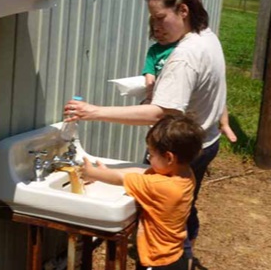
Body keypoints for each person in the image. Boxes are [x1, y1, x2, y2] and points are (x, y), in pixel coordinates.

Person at [64, 0, 228, 266]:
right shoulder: (207, 37)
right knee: (180, 207)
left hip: (178, 143)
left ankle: (169, 257)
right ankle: (182, 253)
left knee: (160, 211)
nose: (155, 26)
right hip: (204, 140)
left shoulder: (184, 56)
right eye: (151, 18)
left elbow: (158, 113)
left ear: (183, 10)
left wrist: (93, 111)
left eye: (160, 17)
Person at [81, 113, 205, 270]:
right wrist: (107, 172)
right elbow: (140, 173)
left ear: (169, 158)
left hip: (158, 261)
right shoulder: (185, 174)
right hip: (175, 255)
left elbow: (122, 179)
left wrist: (93, 173)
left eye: (151, 155)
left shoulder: (161, 187)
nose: (149, 159)